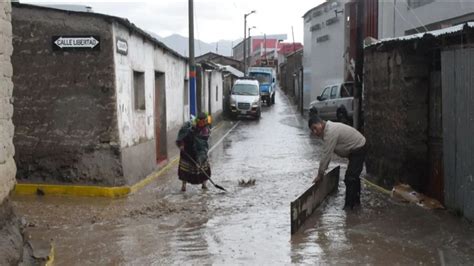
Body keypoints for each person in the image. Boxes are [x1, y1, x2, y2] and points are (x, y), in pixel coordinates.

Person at [308, 115, 366, 209]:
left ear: (320, 123)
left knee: (350, 178)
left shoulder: (330, 131)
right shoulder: (327, 130)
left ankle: (348, 208)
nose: (315, 132)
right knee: (354, 177)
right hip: (355, 149)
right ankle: (356, 203)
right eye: (312, 130)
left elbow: (326, 155)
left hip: (358, 148)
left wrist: (320, 174)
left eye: (315, 128)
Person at [176, 112, 212, 192]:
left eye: (204, 122)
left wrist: (200, 160)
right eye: (200, 122)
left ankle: (204, 184)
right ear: (197, 121)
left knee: (203, 166)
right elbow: (181, 135)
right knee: (185, 168)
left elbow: (203, 146)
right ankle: (183, 186)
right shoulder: (188, 125)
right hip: (187, 148)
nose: (202, 124)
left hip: (199, 150)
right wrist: (181, 144)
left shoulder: (205, 131)